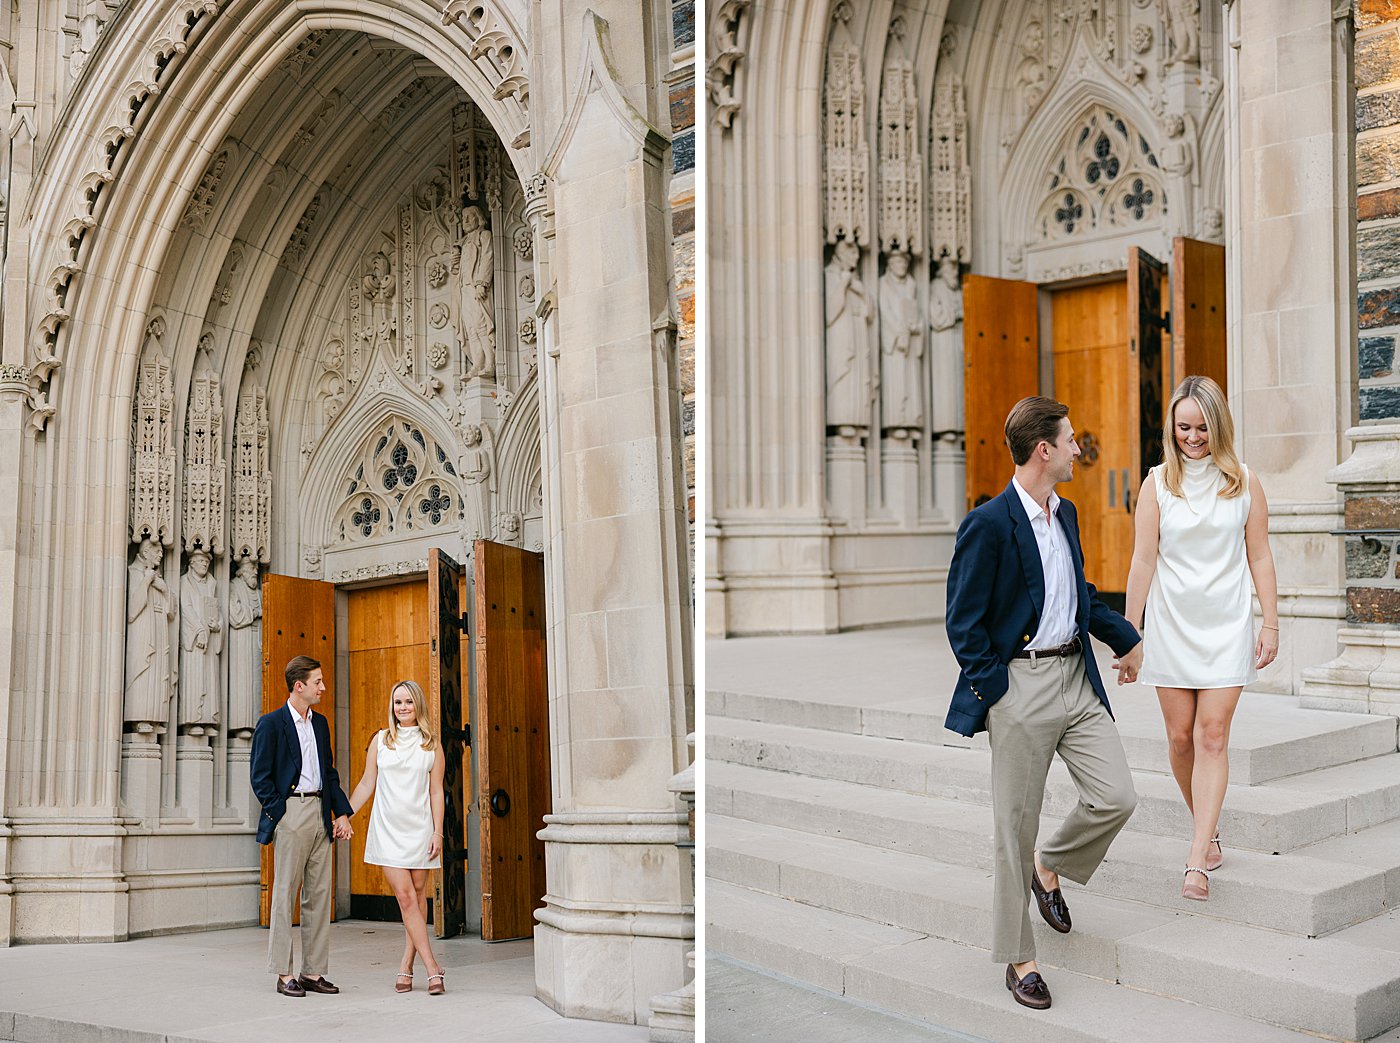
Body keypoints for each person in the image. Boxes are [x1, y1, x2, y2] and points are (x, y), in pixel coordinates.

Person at [944, 396, 1143, 1011]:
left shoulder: (1068, 513)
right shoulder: (989, 524)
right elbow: (963, 621)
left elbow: (1075, 594)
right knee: (1013, 827)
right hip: (1021, 687)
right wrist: (995, 690)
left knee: (1116, 796)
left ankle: (1049, 866)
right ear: (1044, 450)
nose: (1079, 449)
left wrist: (1125, 636)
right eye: (1071, 440)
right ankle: (1020, 958)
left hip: (1076, 679)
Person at [1124, 375, 1278, 901]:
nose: (1193, 437)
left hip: (1226, 627)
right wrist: (1129, 632)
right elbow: (1143, 559)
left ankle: (1196, 859)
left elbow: (1259, 555)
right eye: (1184, 427)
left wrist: (1271, 622)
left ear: (1219, 425)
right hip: (1171, 627)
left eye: (1203, 427)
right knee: (1181, 739)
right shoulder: (1157, 484)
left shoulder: (1244, 482)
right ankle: (1206, 827)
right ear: (1172, 427)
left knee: (1213, 735)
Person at [250, 655, 354, 997]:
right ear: (299, 686)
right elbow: (260, 778)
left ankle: (312, 972)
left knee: (319, 896)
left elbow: (330, 773)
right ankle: (284, 974)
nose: (323, 687)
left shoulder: (320, 724)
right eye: (318, 682)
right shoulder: (271, 723)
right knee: (285, 895)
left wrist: (341, 813)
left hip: (321, 811)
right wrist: (280, 812)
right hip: (291, 813)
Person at [346, 680, 447, 995]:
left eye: (408, 702)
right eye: (397, 702)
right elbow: (366, 784)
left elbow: (436, 791)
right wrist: (342, 813)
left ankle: (406, 964)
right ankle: (432, 967)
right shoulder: (381, 740)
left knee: (418, 895)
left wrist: (438, 832)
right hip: (387, 830)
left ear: (418, 706)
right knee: (405, 898)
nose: (402, 708)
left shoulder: (432, 744)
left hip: (419, 829)